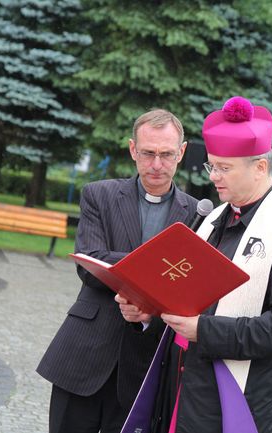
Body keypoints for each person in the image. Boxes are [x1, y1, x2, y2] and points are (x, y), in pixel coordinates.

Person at [121, 96, 272, 433]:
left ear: (259, 167)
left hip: (242, 399)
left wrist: (204, 330)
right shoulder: (213, 218)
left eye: (224, 168)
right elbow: (190, 298)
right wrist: (149, 310)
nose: (213, 176)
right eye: (211, 165)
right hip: (186, 391)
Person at [36, 109, 198, 433]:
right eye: (148, 153)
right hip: (83, 353)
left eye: (166, 154)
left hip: (145, 363)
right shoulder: (99, 194)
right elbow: (89, 263)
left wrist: (148, 305)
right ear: (132, 149)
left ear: (181, 152)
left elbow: (191, 286)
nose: (156, 164)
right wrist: (157, 273)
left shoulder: (197, 213)